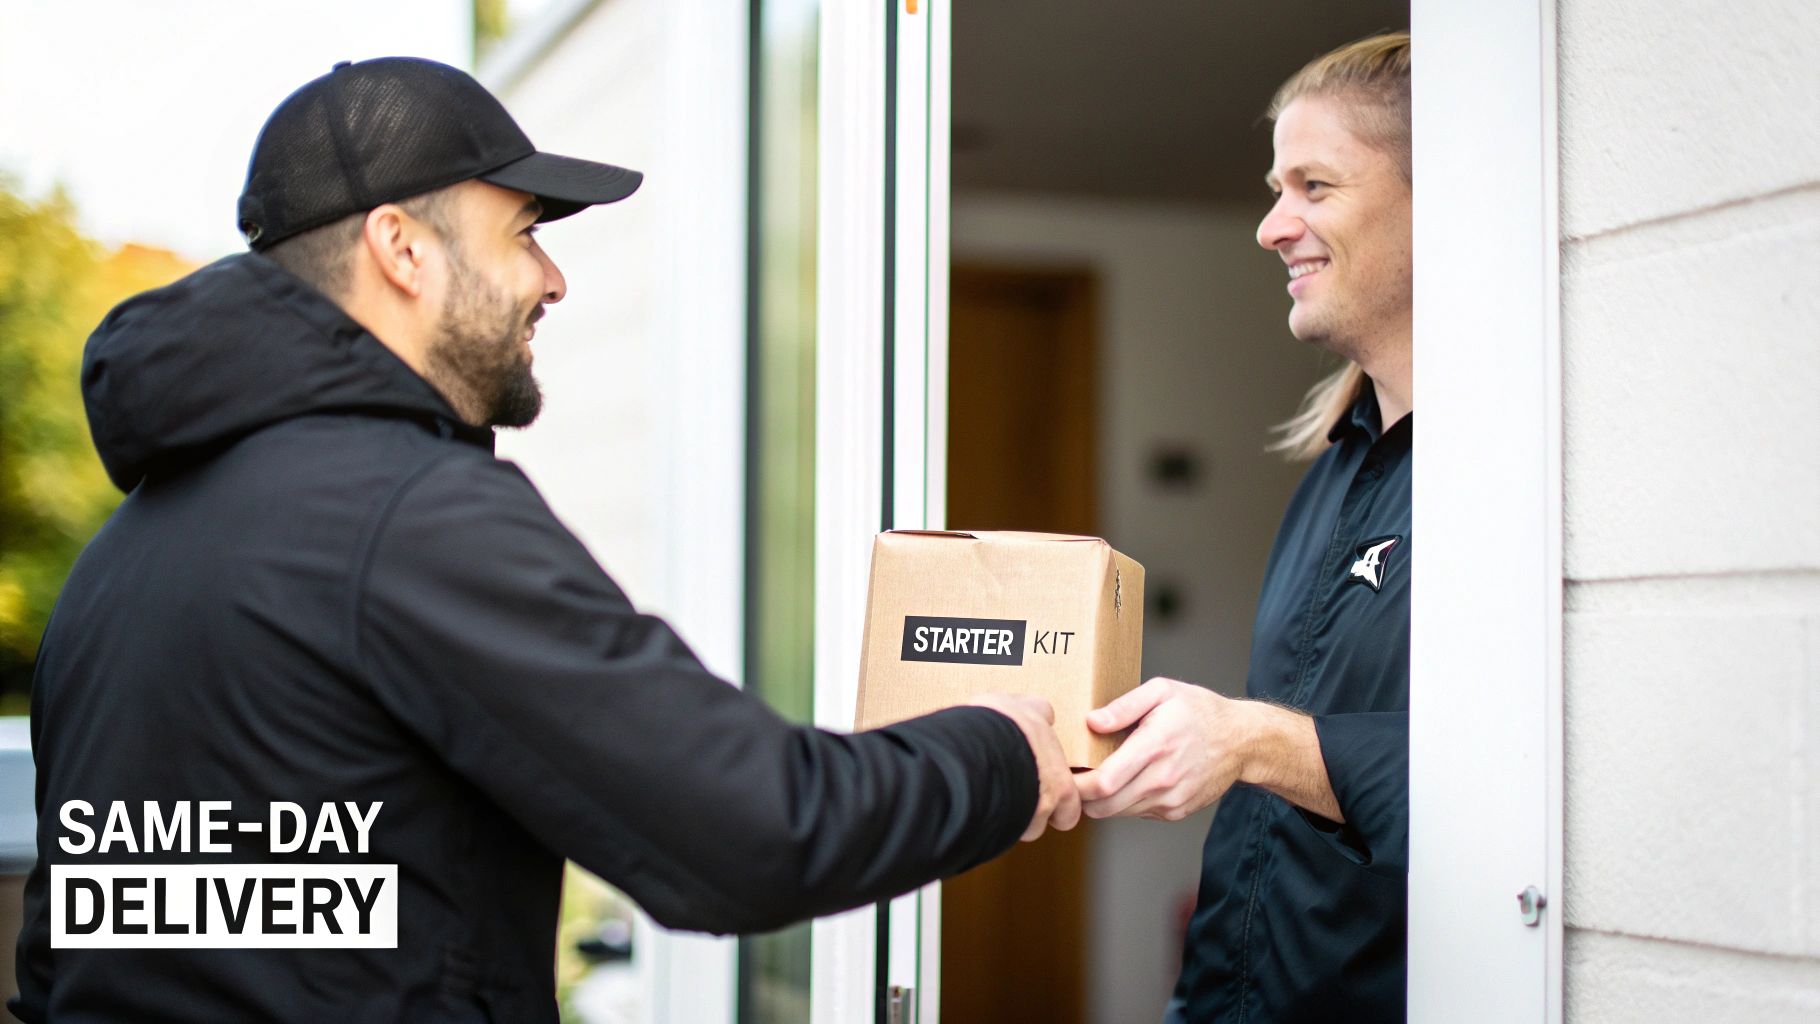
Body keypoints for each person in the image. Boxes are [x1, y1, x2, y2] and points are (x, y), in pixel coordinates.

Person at [12, 57, 1078, 1023]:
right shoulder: (409, 517)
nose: (553, 279)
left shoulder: (116, 569)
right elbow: (755, 830)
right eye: (523, 231)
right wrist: (999, 751)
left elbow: (71, 959)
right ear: (401, 248)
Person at [1073, 33, 1413, 1022]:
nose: (1271, 227)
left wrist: (1251, 740)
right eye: (1275, 189)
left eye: (1314, 186)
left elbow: (1514, 786)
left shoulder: (1510, 484)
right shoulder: (1334, 473)